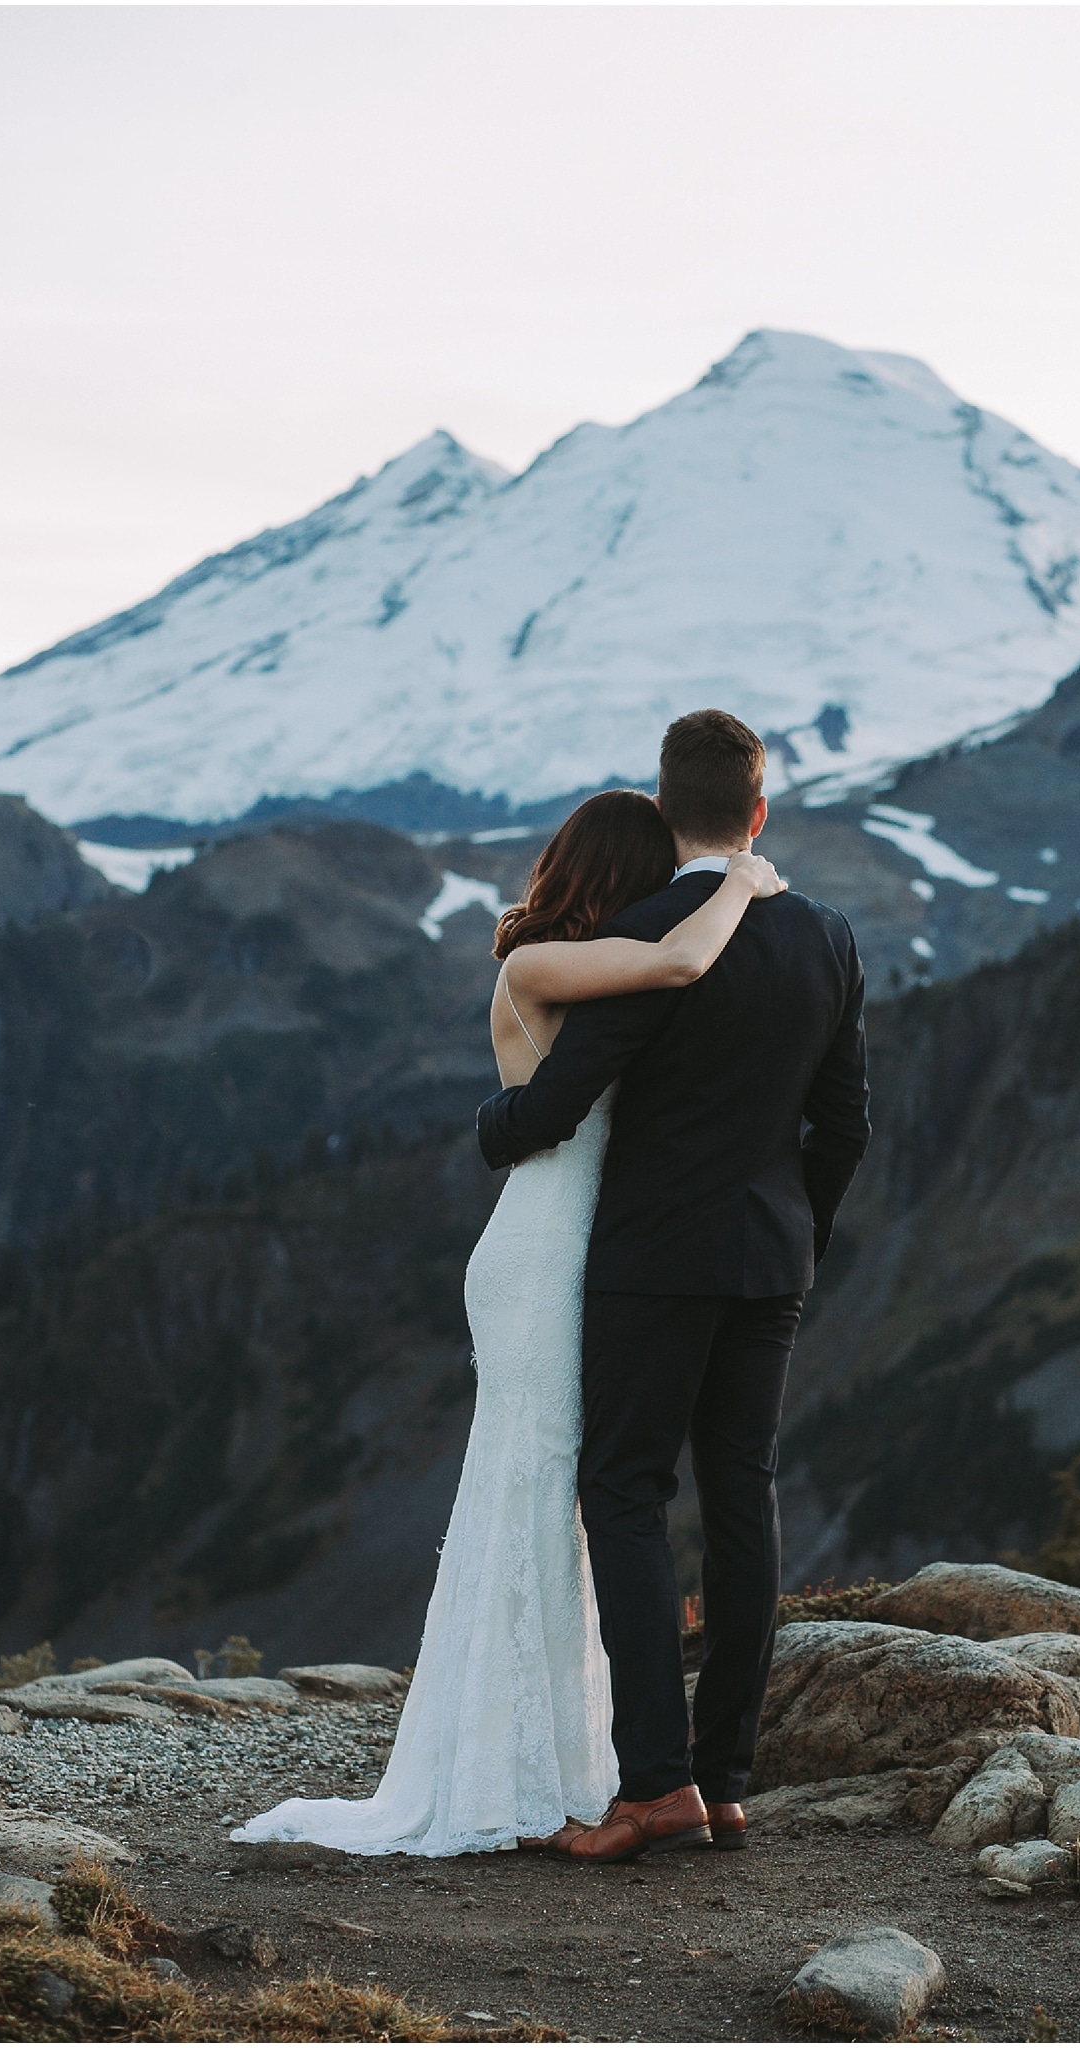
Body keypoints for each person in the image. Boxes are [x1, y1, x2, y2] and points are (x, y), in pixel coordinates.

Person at [231, 786, 786, 1858]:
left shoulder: (598, 965)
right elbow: (681, 963)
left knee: (579, 1498)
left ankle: (569, 1756)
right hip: (543, 1252)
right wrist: (743, 883)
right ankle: (504, 1763)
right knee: (542, 1485)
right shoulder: (541, 968)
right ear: (627, 878)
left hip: (600, 1249)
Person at [478, 708, 870, 1862]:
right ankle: (728, 1779)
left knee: (628, 1488)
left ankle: (654, 1784)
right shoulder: (828, 938)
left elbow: (552, 1108)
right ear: (758, 814)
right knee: (743, 1495)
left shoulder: (644, 931)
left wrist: (491, 1123)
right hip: (772, 1253)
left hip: (654, 1258)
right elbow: (843, 1122)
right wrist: (801, 1230)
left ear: (664, 808)